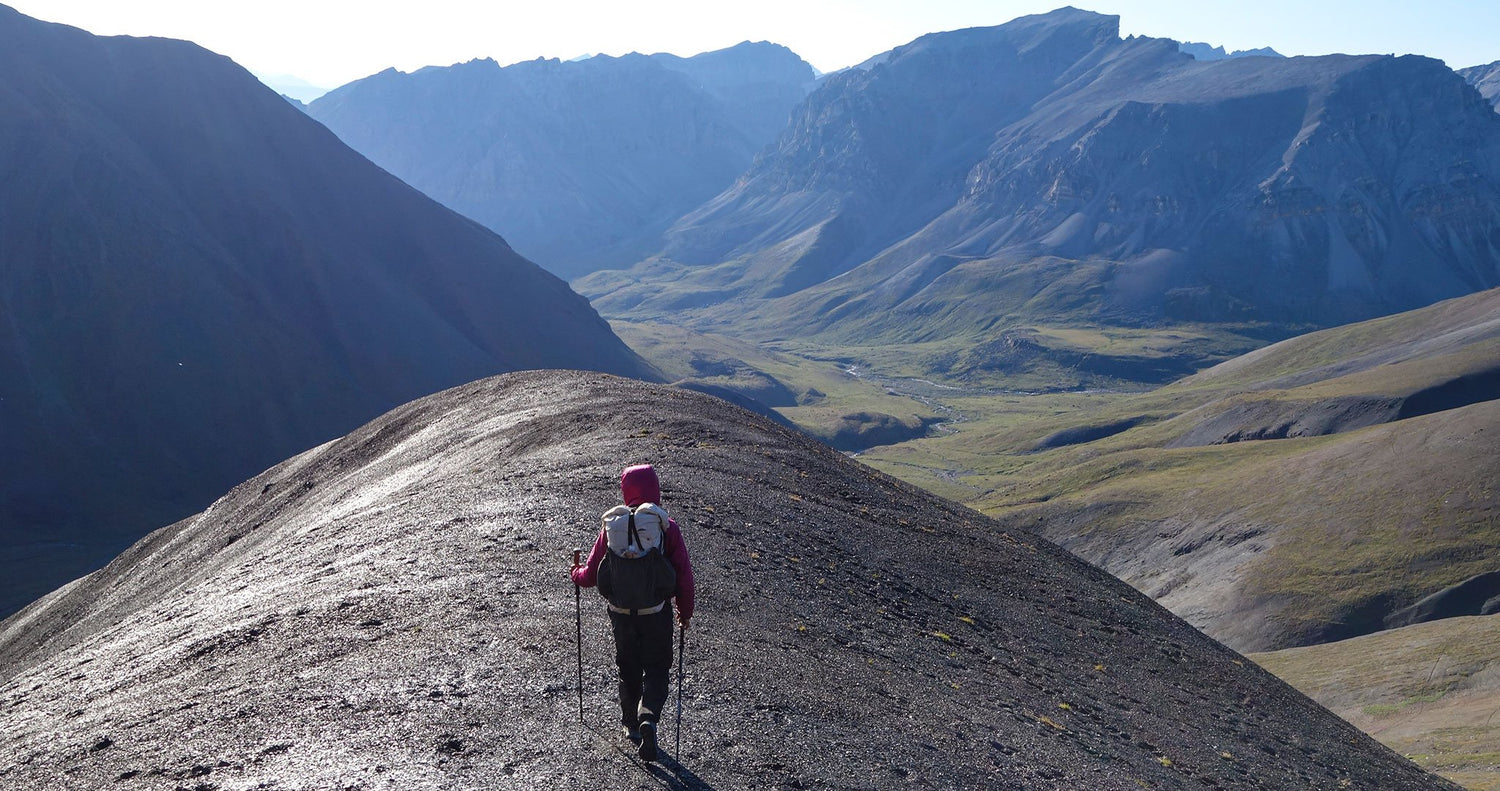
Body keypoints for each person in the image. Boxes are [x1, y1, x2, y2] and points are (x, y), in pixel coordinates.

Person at [571, 464, 695, 761]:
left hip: (621, 612)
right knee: (657, 666)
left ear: (626, 490)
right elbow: (683, 575)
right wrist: (684, 611)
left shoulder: (612, 526)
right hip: (656, 612)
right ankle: (648, 717)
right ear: (655, 489)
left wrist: (575, 573)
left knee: (628, 668)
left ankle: (631, 725)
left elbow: (590, 575)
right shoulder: (666, 526)